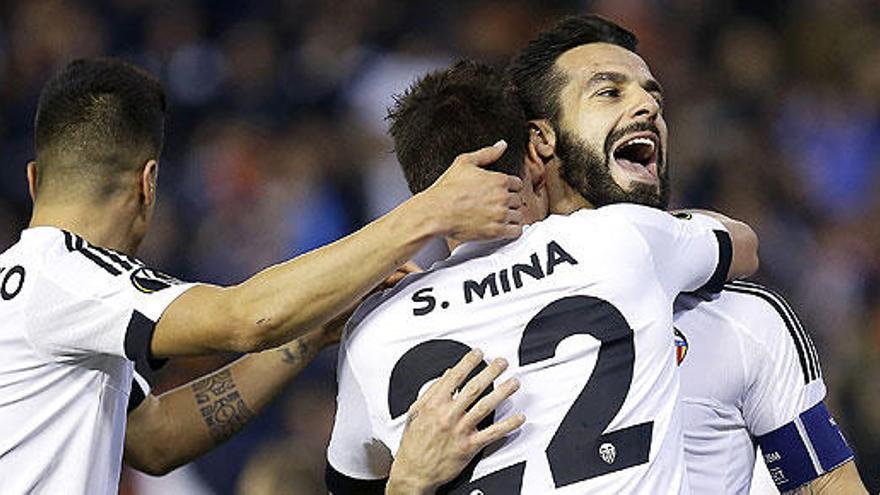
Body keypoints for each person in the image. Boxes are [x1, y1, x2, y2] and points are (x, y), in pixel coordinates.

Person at [0, 57, 527, 494]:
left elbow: (154, 439)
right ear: (149, 180)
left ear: (33, 178)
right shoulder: (65, 274)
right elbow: (247, 317)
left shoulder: (39, 290)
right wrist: (429, 211)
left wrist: (303, 338)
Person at [325, 59, 759, 494]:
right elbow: (743, 245)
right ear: (536, 153)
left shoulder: (374, 329)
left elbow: (350, 485)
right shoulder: (623, 238)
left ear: (420, 188)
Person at [507, 14, 868, 494]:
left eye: (653, 95)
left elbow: (829, 487)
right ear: (541, 140)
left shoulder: (742, 316)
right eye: (609, 92)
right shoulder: (467, 311)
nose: (647, 106)